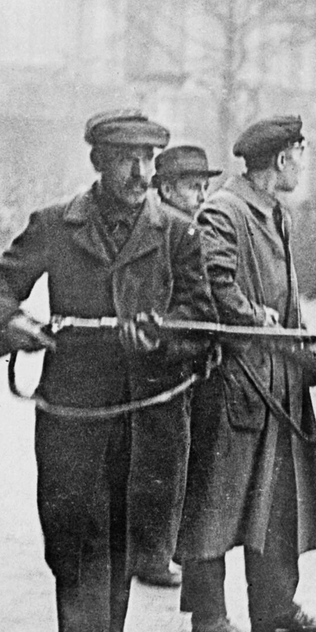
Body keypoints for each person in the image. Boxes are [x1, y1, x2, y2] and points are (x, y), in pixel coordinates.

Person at [0, 109, 215, 632]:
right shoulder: (56, 224)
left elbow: (200, 319)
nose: (139, 172)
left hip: (146, 403)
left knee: (128, 523)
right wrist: (12, 322)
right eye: (125, 159)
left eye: (148, 160)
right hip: (72, 402)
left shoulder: (178, 232)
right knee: (71, 524)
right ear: (97, 162)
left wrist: (163, 339)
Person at [179, 116, 316, 632]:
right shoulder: (224, 212)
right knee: (218, 494)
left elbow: (288, 301)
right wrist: (256, 321)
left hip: (278, 376)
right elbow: (214, 284)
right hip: (236, 375)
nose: (303, 164)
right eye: (300, 153)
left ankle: (274, 606)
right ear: (282, 159)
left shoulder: (276, 213)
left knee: (278, 499)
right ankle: (208, 613)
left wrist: (309, 353)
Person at [115, 144, 226, 591]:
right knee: (165, 460)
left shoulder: (149, 224)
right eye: (190, 187)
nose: (200, 196)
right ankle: (153, 555)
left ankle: (148, 552)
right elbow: (198, 307)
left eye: (203, 187)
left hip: (154, 361)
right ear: (163, 187)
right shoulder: (177, 231)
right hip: (165, 368)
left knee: (151, 460)